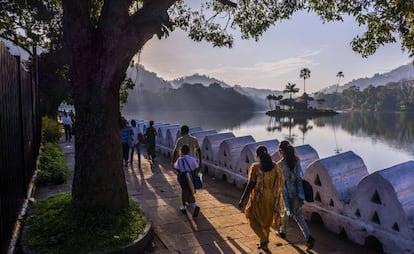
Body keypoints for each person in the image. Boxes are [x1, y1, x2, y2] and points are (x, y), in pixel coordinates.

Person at [238, 146, 284, 251]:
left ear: (258, 156)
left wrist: (243, 199)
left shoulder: (255, 167)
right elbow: (280, 183)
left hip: (259, 198)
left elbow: (250, 184)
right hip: (271, 197)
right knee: (266, 221)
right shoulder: (275, 166)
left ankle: (263, 239)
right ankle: (264, 244)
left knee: (251, 216)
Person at [276, 140, 315, 251]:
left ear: (282, 151)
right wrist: (301, 196)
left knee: (288, 213)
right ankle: (284, 232)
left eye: (279, 150)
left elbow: (279, 181)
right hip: (296, 194)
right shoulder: (296, 161)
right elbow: (298, 179)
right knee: (296, 216)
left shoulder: (280, 164)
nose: (279, 152)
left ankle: (308, 237)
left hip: (286, 194)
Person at [174, 144, 200, 217]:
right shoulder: (192, 159)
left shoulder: (179, 160)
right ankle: (195, 205)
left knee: (184, 192)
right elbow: (197, 167)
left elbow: (176, 168)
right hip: (191, 177)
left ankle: (184, 207)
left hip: (183, 177)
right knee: (190, 192)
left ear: (181, 151)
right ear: (188, 151)